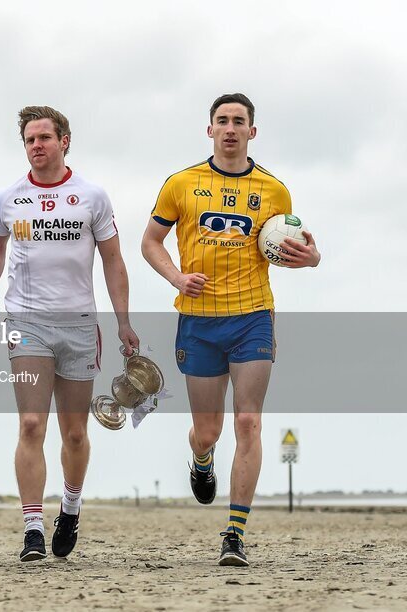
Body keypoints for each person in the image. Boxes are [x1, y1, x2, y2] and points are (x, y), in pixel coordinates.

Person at [141, 93, 321, 566]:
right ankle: (202, 460)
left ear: (251, 132)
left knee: (248, 420)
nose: (230, 128)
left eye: (239, 121)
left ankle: (234, 534)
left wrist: (312, 258)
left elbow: (288, 248)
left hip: (253, 316)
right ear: (210, 130)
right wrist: (176, 277)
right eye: (221, 121)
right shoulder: (181, 183)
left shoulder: (275, 191)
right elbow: (150, 241)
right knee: (208, 430)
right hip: (198, 321)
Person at [0, 106, 138, 562]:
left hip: (81, 326)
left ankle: (70, 506)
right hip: (27, 322)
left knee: (74, 434)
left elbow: (113, 259)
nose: (36, 146)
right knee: (31, 424)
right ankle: (32, 528)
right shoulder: (8, 198)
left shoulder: (91, 196)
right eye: (29, 139)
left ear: (65, 140)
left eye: (45, 137)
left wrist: (123, 321)